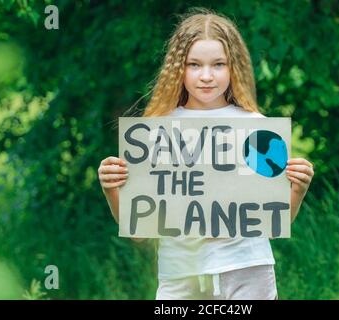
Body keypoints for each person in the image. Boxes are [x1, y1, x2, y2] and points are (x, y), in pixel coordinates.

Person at [98, 9, 314, 300]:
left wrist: (298, 190)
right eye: (194, 65)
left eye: (219, 64)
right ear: (178, 68)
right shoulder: (156, 132)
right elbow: (139, 232)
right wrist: (111, 188)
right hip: (181, 275)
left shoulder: (257, 130)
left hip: (248, 269)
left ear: (233, 67)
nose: (207, 76)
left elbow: (274, 225)